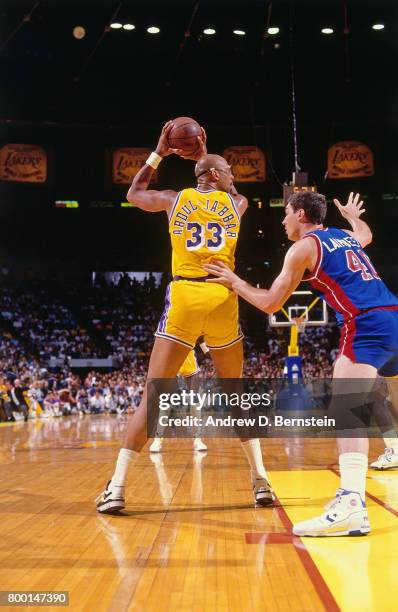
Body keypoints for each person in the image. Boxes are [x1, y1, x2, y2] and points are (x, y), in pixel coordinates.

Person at [96, 121, 273, 513]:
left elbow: (133, 192)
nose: (233, 177)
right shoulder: (238, 205)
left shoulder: (174, 200)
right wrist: (205, 152)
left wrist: (160, 150)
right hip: (222, 298)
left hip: (186, 296)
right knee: (236, 393)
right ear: (214, 174)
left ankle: (117, 487)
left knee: (153, 396)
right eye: (227, 171)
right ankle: (260, 481)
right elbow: (234, 192)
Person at [204, 191, 398, 536]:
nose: (283, 220)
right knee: (375, 396)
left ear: (302, 216)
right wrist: (353, 216)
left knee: (347, 408)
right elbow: (366, 235)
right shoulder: (342, 236)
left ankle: (351, 503)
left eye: (287, 214)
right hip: (392, 314)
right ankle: (390, 451)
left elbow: (269, 303)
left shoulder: (304, 247)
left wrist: (236, 283)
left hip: (365, 322)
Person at [149, 341, 208, 453]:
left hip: (190, 365)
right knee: (166, 404)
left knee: (195, 402)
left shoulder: (194, 326)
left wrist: (208, 352)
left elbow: (201, 340)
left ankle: (197, 439)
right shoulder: (168, 326)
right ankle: (157, 439)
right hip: (171, 364)